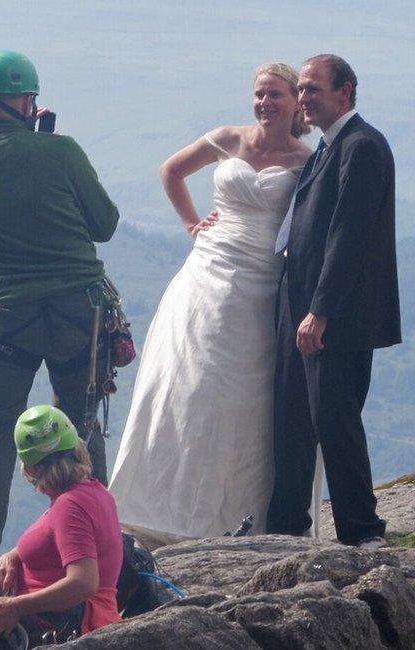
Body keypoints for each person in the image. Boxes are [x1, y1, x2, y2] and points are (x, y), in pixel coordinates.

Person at [109, 63, 322, 541]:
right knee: (187, 383)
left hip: (263, 282)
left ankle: (235, 513)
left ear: (295, 103)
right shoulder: (228, 137)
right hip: (206, 271)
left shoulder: (308, 160)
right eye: (259, 94)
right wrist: (191, 224)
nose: (265, 103)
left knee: (244, 397)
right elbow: (172, 170)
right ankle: (158, 504)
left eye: (276, 95)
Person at [0, 50, 120, 569]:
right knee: (80, 425)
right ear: (30, 102)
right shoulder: (62, 153)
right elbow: (104, 225)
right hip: (77, 311)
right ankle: (100, 554)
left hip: (7, 316)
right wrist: (45, 149)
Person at [267, 54, 401, 549]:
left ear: (345, 92)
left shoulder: (362, 146)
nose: (303, 98)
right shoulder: (328, 146)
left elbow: (349, 238)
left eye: (313, 89)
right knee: (294, 419)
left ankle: (364, 534)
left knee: (335, 420)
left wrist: (320, 312)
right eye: (300, 89)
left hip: (335, 317)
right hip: (299, 306)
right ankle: (287, 525)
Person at [0, 405, 123, 641]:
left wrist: (17, 606)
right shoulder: (91, 491)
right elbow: (55, 537)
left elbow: (83, 583)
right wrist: (13, 555)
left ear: (29, 468)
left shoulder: (69, 506)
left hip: (66, 624)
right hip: (72, 616)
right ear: (76, 447)